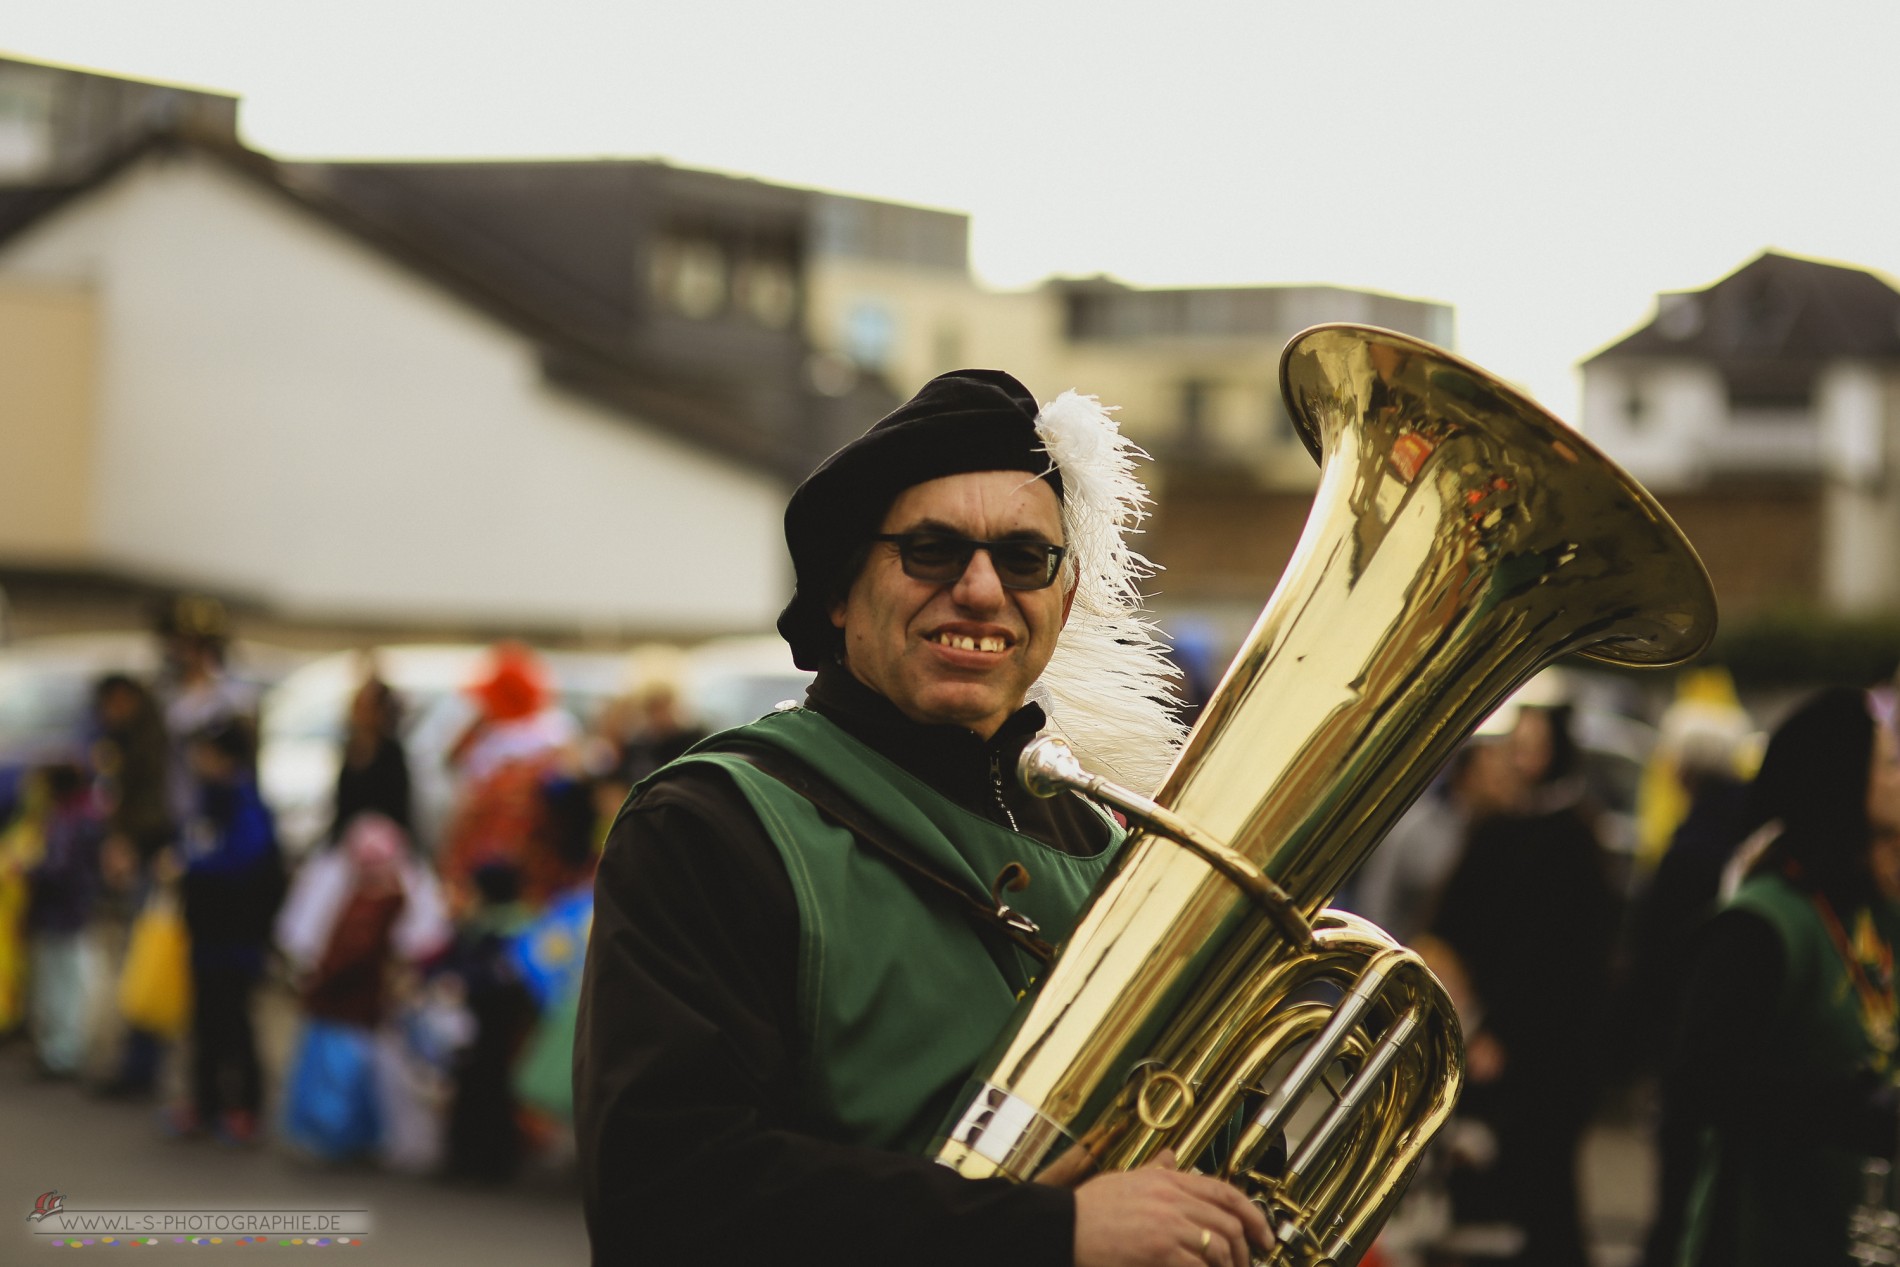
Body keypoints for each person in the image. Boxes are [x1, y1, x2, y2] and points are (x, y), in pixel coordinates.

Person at [576, 370, 1273, 1267]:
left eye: (1025, 558)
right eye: (931, 550)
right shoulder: (711, 824)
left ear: (1062, 602)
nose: (982, 590)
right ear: (839, 593)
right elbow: (663, 1195)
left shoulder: (1115, 846)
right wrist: (1052, 1235)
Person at [1673, 687, 1900, 1266]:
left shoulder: (1861, 907)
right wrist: (1855, 1113)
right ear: (1842, 776)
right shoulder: (1762, 920)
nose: (1898, 778)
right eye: (1887, 763)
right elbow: (1707, 1085)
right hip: (1760, 1236)